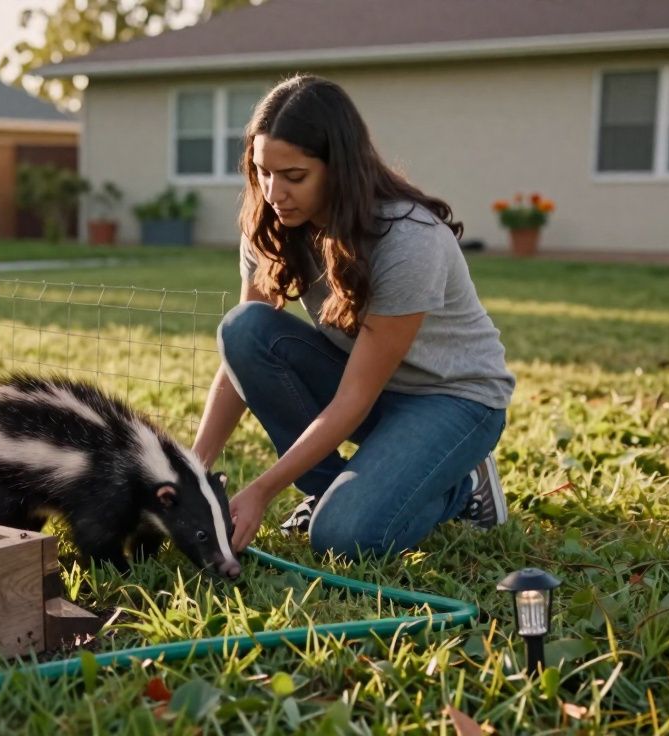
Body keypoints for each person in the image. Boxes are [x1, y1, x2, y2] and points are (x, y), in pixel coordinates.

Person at [191, 74, 515, 558]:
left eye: (294, 176)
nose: (274, 191)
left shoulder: (408, 239)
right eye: (263, 171)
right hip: (366, 388)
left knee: (344, 539)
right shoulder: (272, 226)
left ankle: (461, 484)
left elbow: (355, 398)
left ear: (338, 168)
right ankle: (324, 490)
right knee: (244, 328)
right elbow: (241, 359)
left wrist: (261, 489)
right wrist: (192, 471)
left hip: (452, 401)